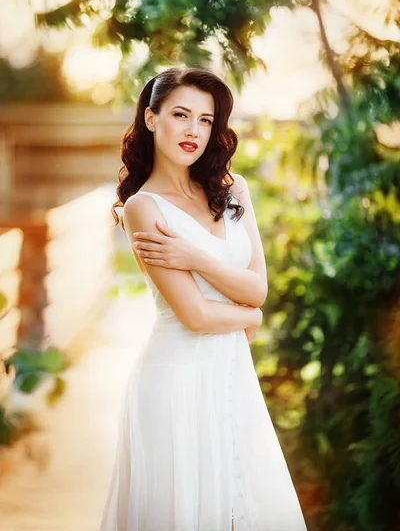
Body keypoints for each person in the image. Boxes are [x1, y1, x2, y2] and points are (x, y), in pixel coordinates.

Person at [100, 67, 308, 531]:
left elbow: (258, 289)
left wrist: (196, 256)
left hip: (231, 377)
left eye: (206, 120)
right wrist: (248, 314)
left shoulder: (234, 191)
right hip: (174, 383)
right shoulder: (143, 207)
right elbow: (193, 315)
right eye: (180, 114)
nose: (193, 130)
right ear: (151, 120)